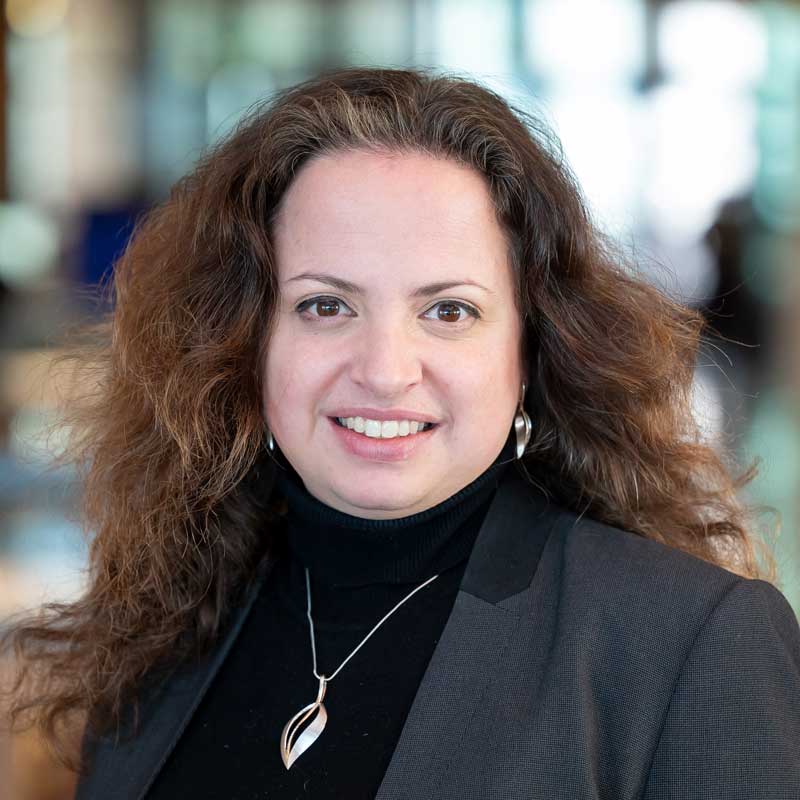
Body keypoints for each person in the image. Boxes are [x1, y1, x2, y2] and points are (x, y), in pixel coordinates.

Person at [2, 67, 799, 800]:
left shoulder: (692, 644)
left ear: (530, 351)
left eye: (448, 311)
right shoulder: (164, 618)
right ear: (244, 342)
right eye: (326, 305)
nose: (385, 370)